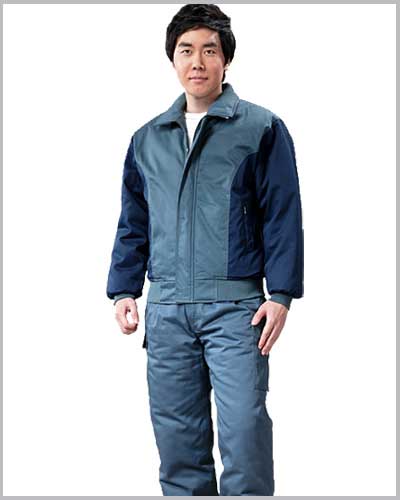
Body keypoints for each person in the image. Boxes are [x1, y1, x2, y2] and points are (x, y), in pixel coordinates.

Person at [106, 4, 304, 496]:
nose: (197, 61)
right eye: (186, 50)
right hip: (167, 311)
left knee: (245, 433)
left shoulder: (261, 127)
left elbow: (282, 213)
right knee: (178, 445)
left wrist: (281, 293)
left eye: (209, 50)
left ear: (225, 60)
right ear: (172, 59)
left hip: (236, 310)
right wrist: (124, 289)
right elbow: (134, 221)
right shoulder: (147, 139)